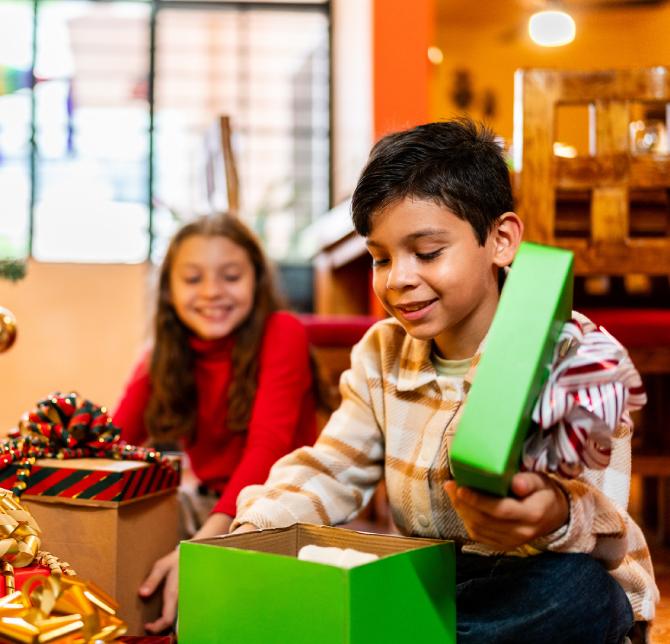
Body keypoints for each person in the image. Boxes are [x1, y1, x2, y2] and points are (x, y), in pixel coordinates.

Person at [232, 118, 659, 644]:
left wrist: (555, 513)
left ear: (501, 240)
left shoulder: (577, 355)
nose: (398, 279)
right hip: (441, 581)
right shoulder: (380, 353)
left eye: (427, 253)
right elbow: (332, 468)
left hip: (547, 578)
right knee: (358, 577)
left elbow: (607, 520)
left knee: (579, 592)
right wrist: (255, 529)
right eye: (380, 258)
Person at [112, 213, 317, 634]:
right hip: (209, 507)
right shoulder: (165, 354)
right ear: (169, 290)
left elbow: (267, 448)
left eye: (230, 276)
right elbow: (112, 443)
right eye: (192, 279)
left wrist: (201, 546)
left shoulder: (283, 332)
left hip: (283, 510)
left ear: (256, 280)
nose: (211, 292)